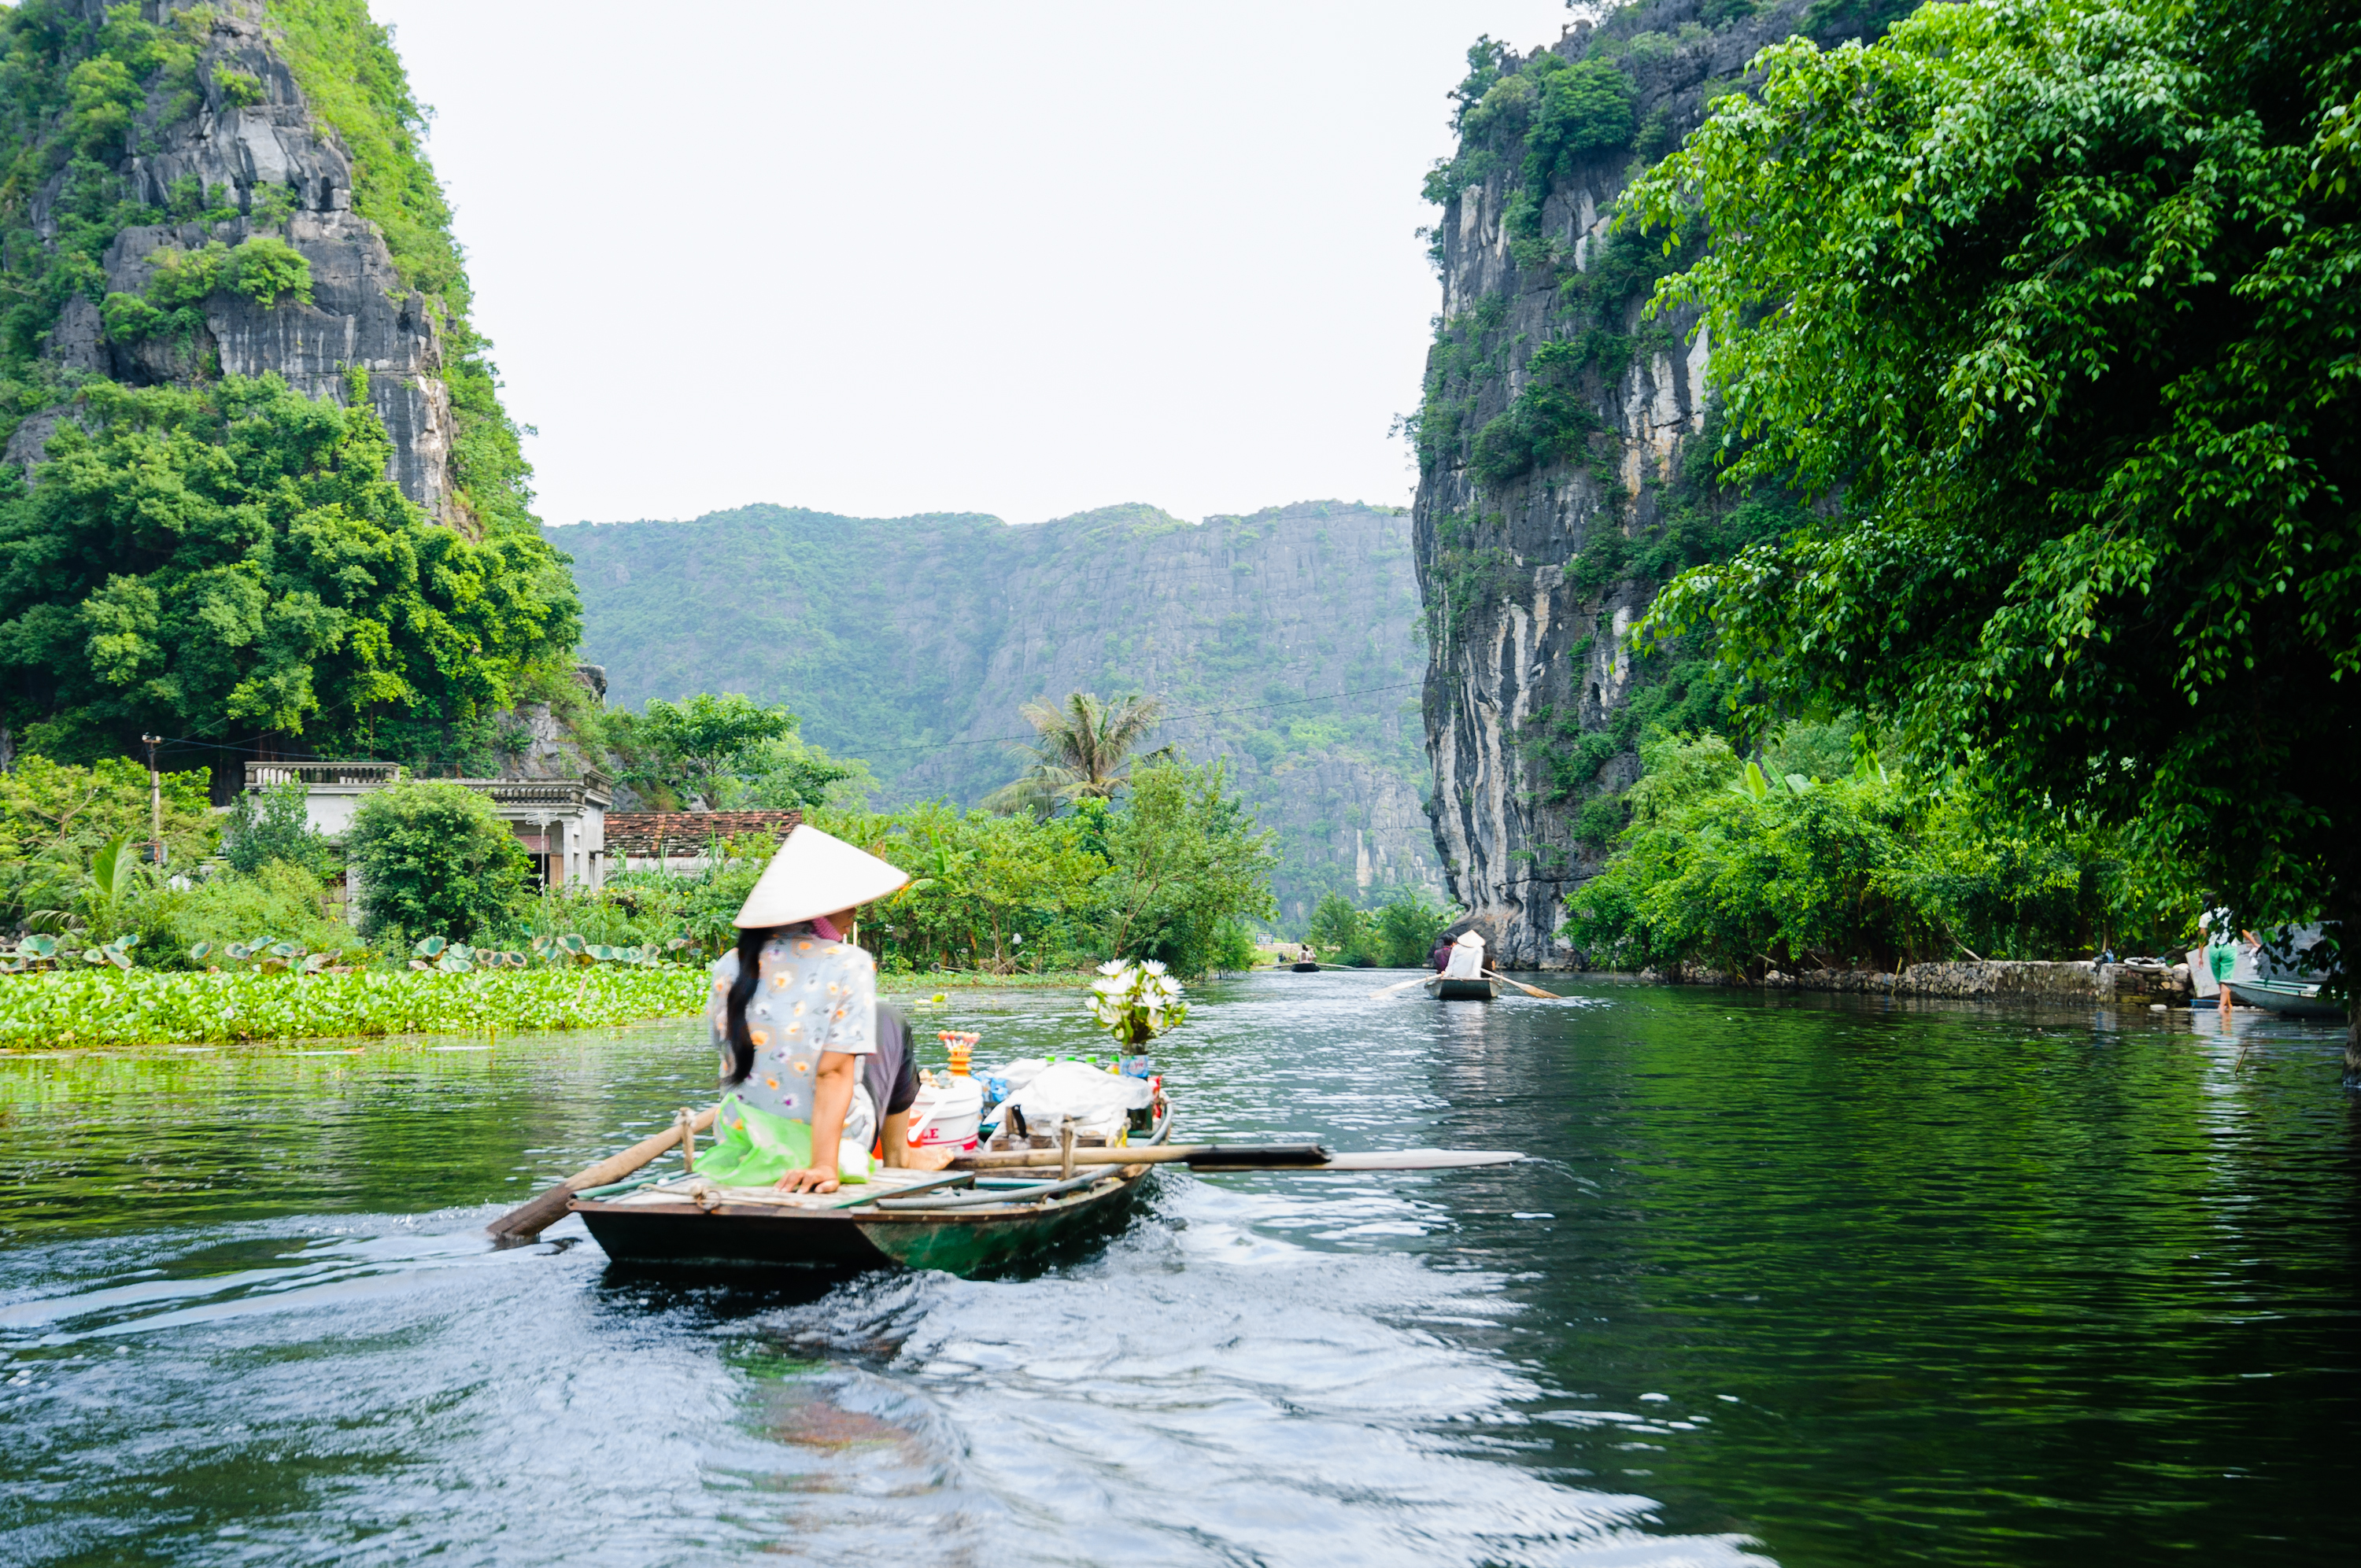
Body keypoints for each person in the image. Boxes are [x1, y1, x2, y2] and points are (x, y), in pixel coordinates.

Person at [700, 824, 911, 1194]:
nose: (855, 915)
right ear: (820, 910)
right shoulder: (850, 963)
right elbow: (833, 1072)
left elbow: (727, 1052)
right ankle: (899, 1158)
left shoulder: (729, 964)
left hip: (741, 1138)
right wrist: (824, 1166)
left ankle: (900, 1157)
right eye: (850, 904)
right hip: (825, 1145)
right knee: (893, 1022)